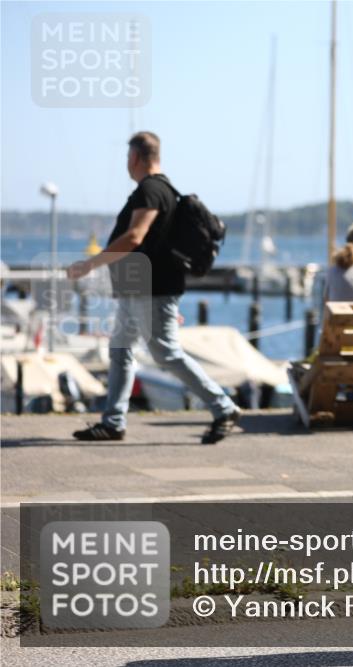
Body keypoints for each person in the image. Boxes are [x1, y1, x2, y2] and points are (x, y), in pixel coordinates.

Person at [67, 132, 241, 445]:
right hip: (140, 288)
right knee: (120, 349)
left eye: (127, 159)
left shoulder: (151, 190)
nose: (126, 165)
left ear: (135, 157)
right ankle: (113, 422)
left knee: (165, 352)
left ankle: (223, 406)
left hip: (153, 288)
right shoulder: (162, 190)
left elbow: (134, 237)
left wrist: (89, 264)